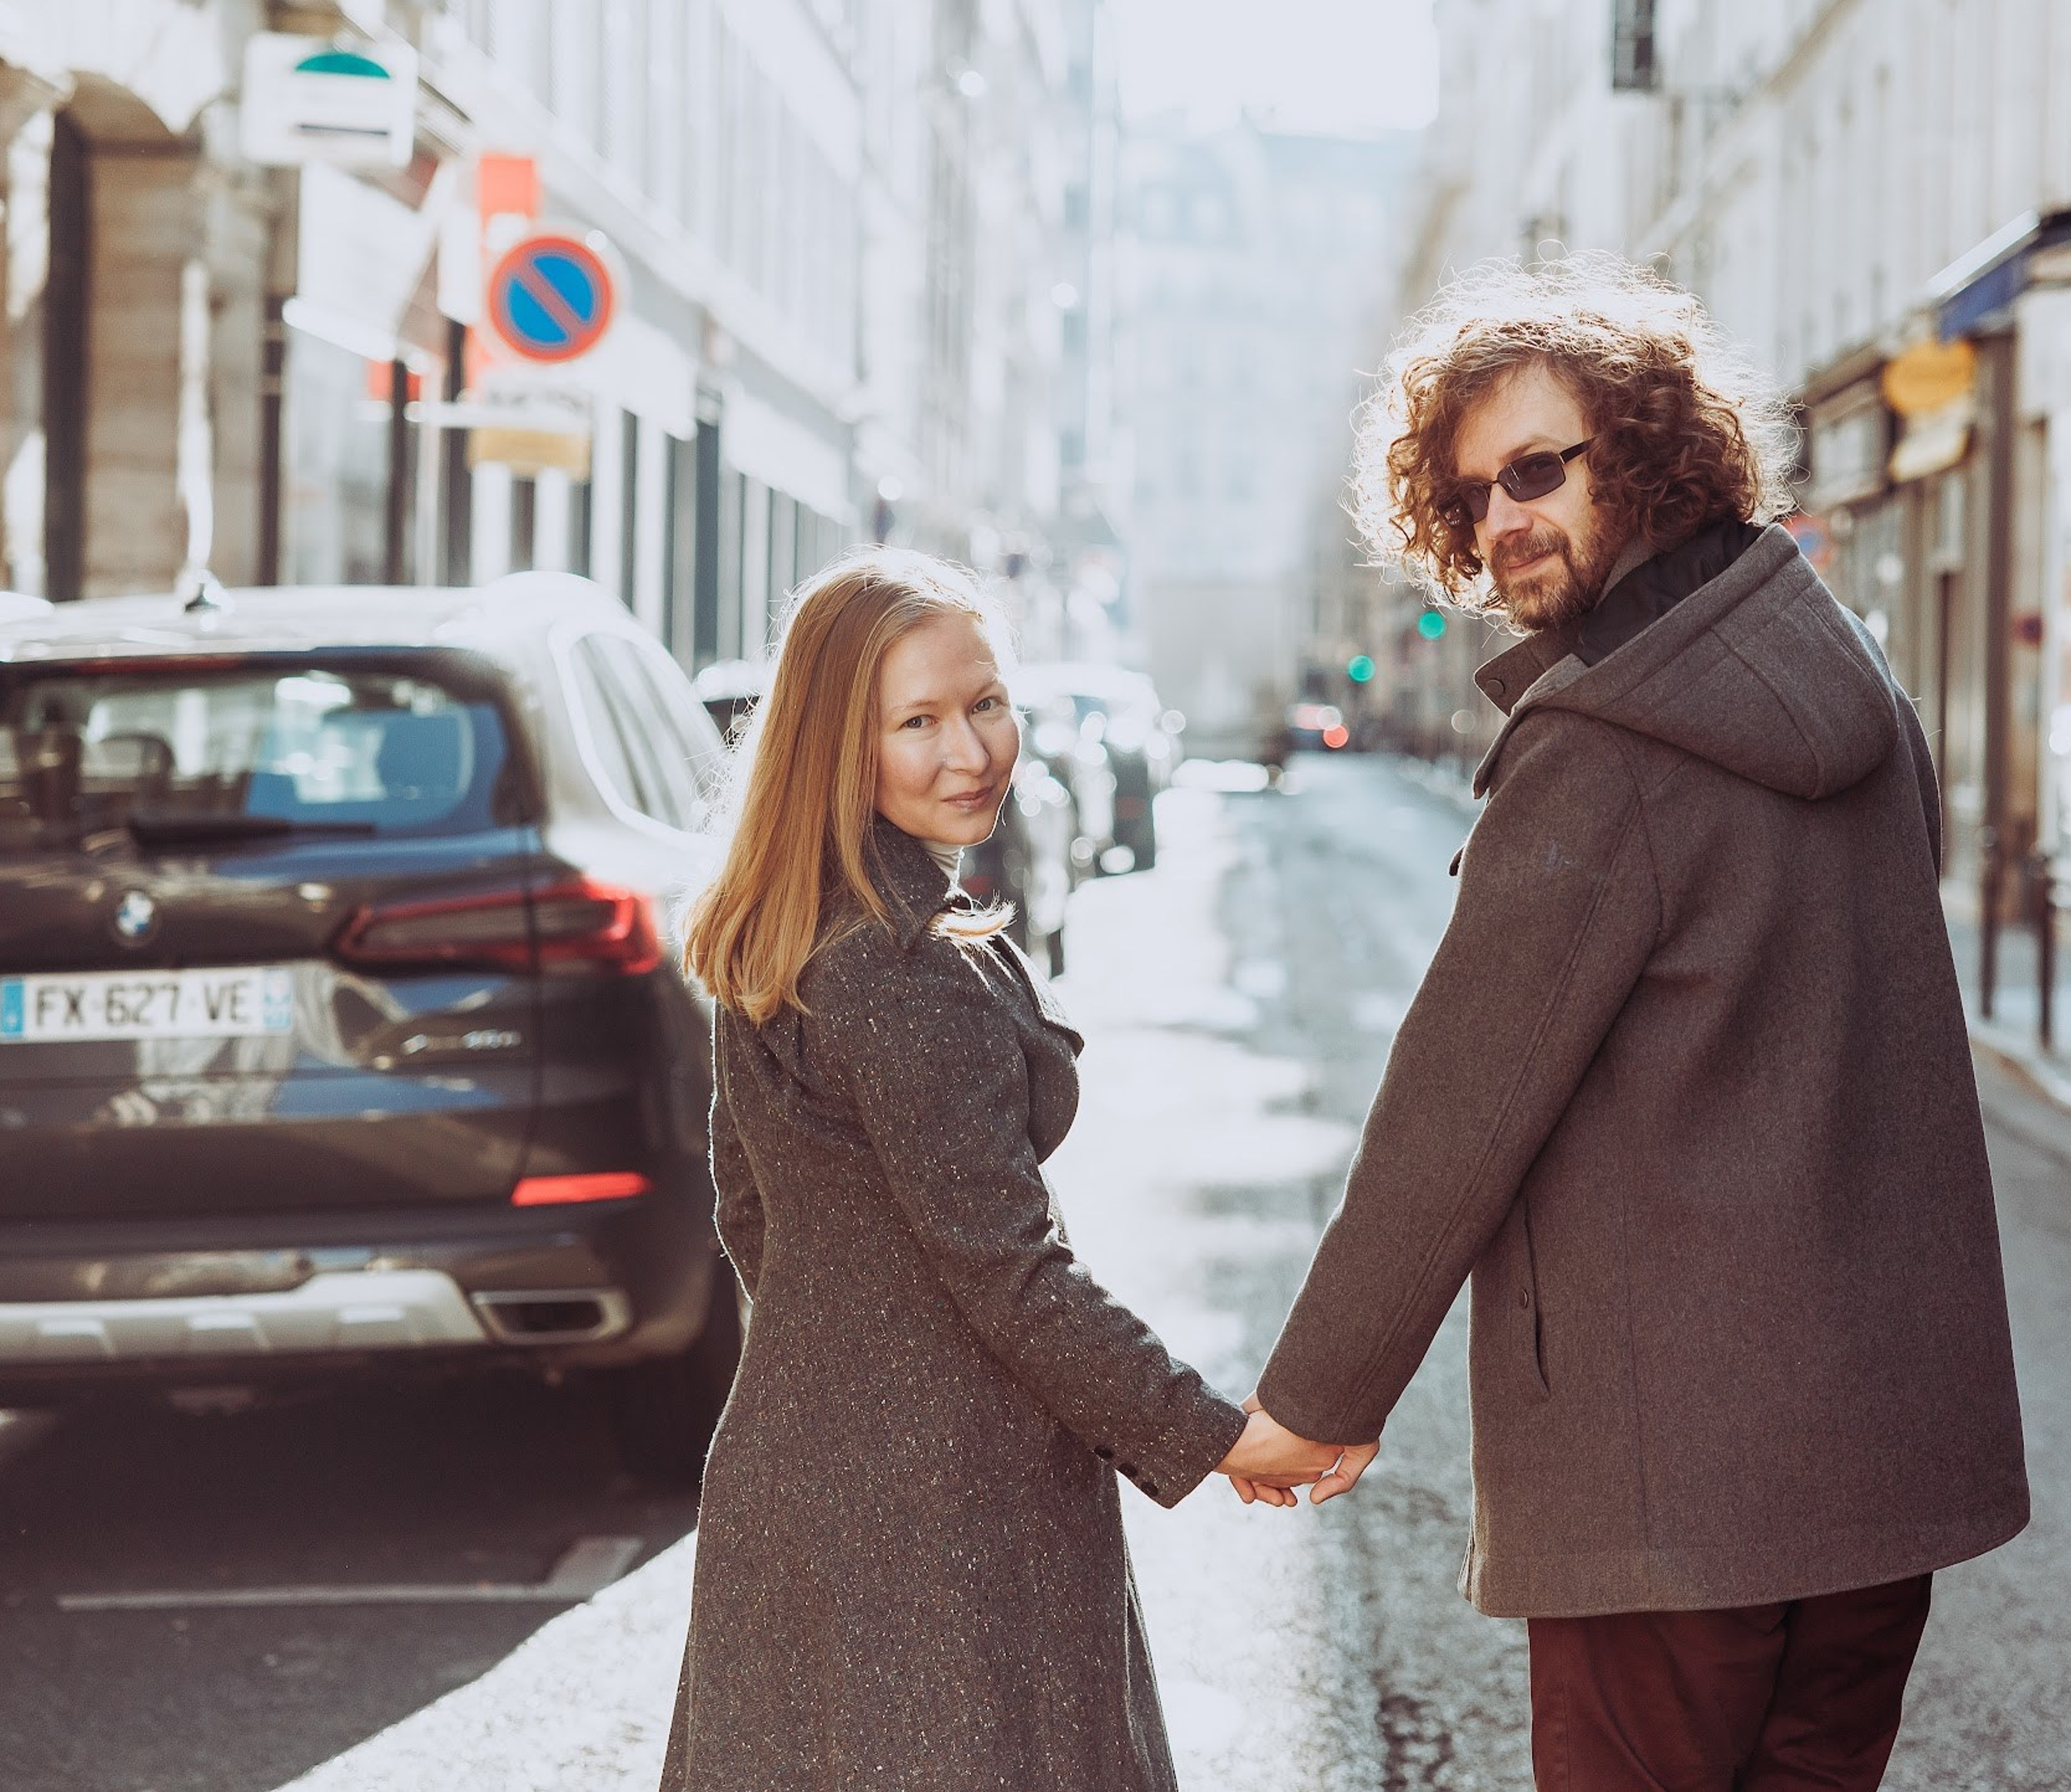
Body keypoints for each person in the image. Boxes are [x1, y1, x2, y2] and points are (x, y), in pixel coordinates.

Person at [1239, 256, 2030, 1790]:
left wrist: (1311, 1406)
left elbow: (1456, 1113)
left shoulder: (1604, 751)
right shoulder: (1857, 679)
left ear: (1654, 452)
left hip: (1671, 1499)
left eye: (1538, 470)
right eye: (1471, 498)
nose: (1501, 522)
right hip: (1880, 1479)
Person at [663, 549, 1329, 1792]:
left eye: (986, 702)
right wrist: (1222, 1438)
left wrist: (848, 1355)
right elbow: (1015, 1279)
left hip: (797, 1487)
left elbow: (750, 1211)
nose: (971, 752)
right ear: (831, 744)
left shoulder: (786, 926)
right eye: (916, 721)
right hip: (945, 1531)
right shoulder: (904, 971)